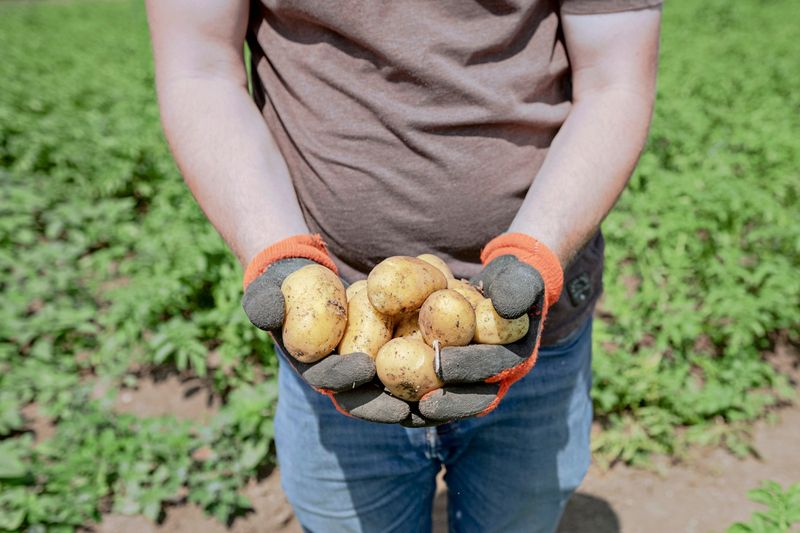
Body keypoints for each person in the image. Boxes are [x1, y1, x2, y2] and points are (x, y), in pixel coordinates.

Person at [145, 0, 662, 531]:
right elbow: (199, 68)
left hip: (534, 322)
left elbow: (613, 82)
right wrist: (281, 255)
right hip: (341, 341)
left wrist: (536, 251)